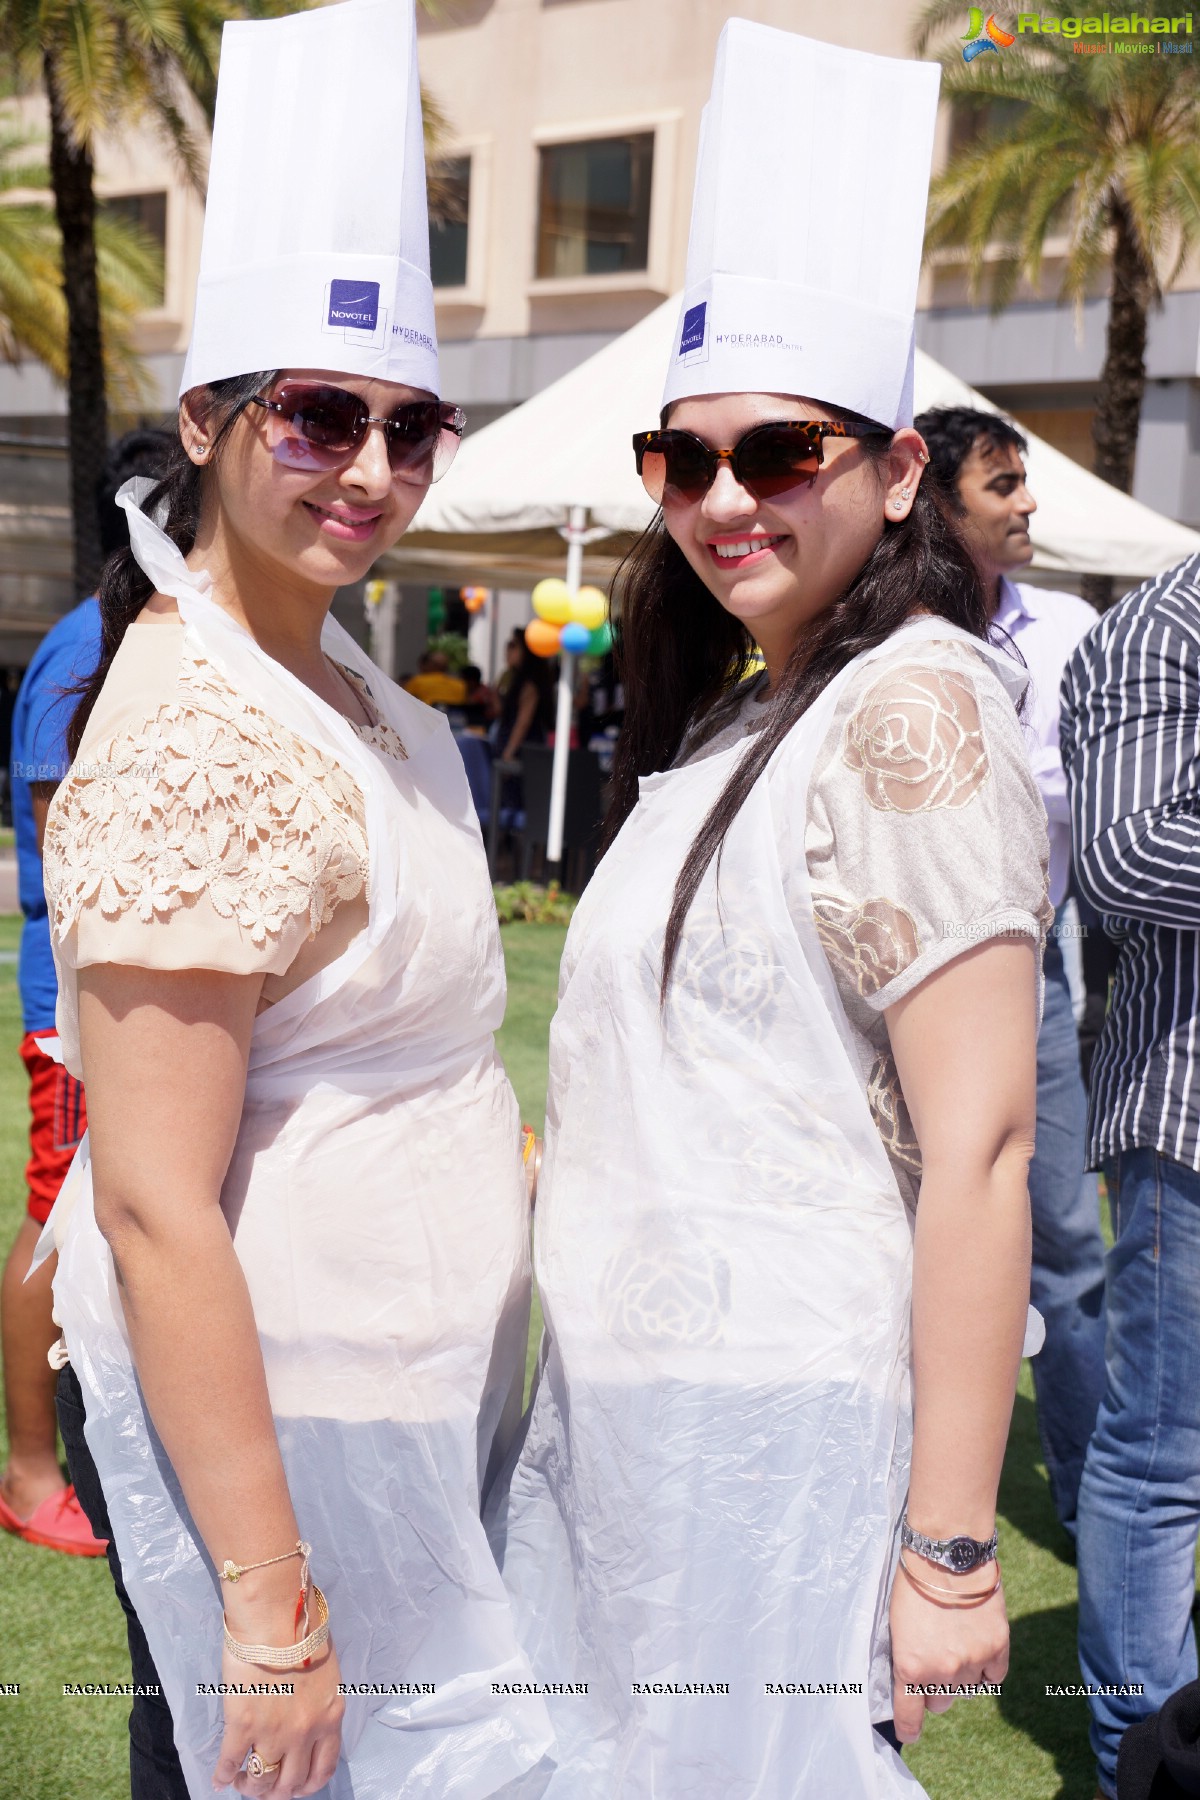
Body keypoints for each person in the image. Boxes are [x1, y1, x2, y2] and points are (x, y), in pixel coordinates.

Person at [487, 23, 1049, 1797]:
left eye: (780, 452)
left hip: (779, 1440)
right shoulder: (762, 694)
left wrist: (953, 1548)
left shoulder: (917, 700)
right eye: (686, 459)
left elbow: (982, 1148)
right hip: (643, 1425)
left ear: (894, 469)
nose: (727, 499)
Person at [37, 3, 552, 1796]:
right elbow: (160, 1204)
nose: (374, 468)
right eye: (322, 415)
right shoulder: (190, 724)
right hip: (278, 1442)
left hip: (403, 1420)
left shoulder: (360, 689)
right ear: (207, 418)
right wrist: (269, 1605)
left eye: (417, 424)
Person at [915, 404, 1106, 1538]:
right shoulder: (883, 632)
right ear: (939, 502)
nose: (1029, 502)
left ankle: (1086, 1499)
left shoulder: (1074, 634)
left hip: (1029, 980)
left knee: (1069, 1247)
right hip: (891, 988)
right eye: (1002, 486)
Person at [0, 430, 168, 1556]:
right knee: (55, 1223)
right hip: (75, 1006)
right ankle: (25, 1468)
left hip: (116, 1000)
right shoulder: (80, 650)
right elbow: (71, 853)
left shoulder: (134, 637)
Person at [1061, 547, 1200, 1800]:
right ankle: (1143, 1769)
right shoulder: (1165, 623)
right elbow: (1129, 854)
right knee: (1164, 1461)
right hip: (1192, 1124)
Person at [403, 647, 467, 708]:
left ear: (431, 664)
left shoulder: (417, 681)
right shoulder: (460, 684)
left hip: (426, 717)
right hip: (451, 718)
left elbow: (403, 701)